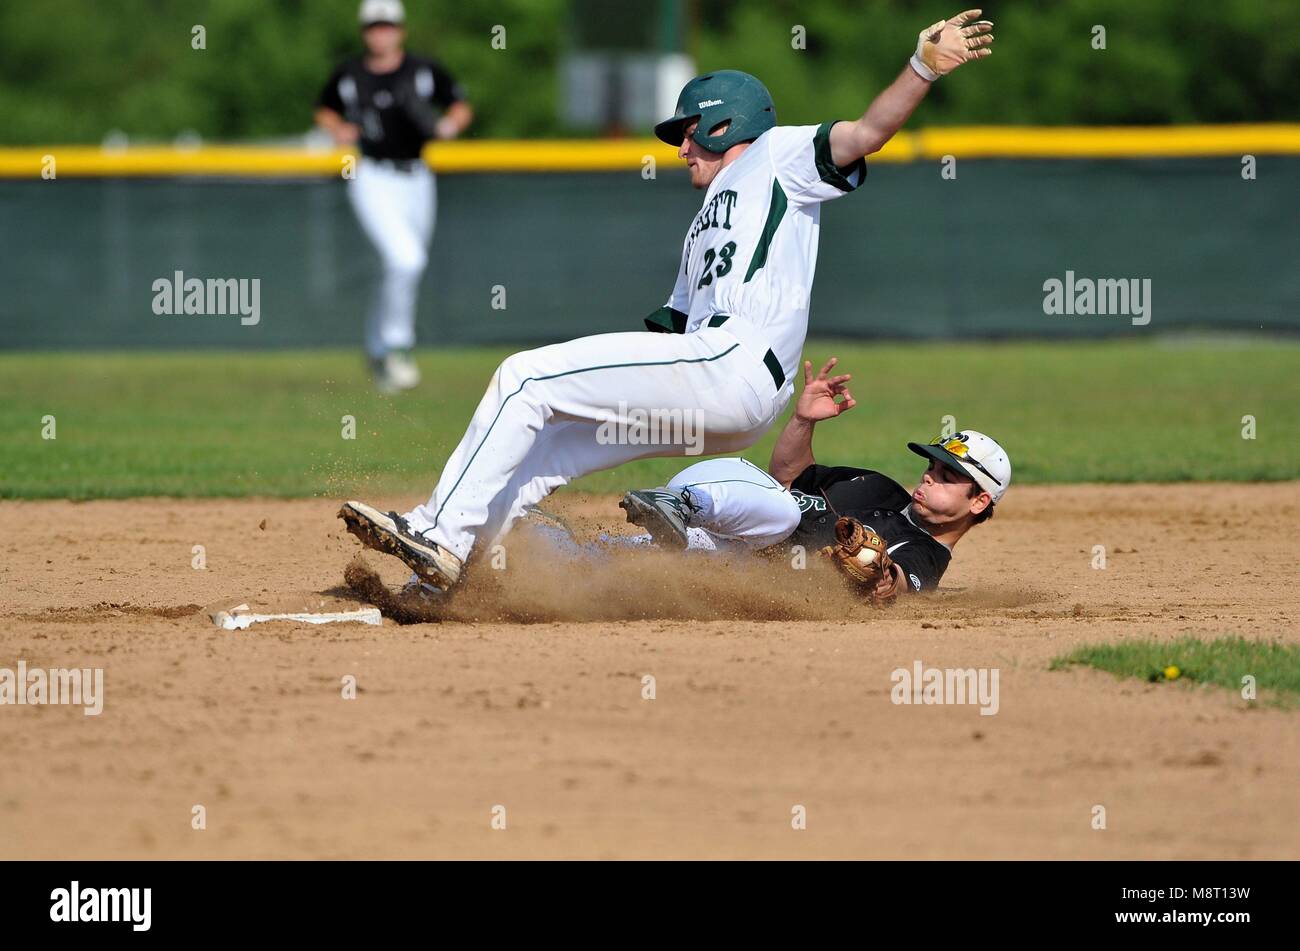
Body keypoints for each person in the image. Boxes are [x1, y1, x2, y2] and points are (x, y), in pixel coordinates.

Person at [339, 10, 995, 589]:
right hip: (717, 386)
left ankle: (438, 533)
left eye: (689, 130)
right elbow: (667, 339)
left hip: (732, 361)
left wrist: (920, 68)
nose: (681, 147)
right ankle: (458, 575)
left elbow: (865, 133)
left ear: (724, 123)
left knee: (523, 376)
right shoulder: (704, 220)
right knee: (548, 441)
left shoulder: (776, 155)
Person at [619, 357, 1012, 600]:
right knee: (783, 508)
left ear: (978, 502)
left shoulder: (925, 554)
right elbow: (787, 475)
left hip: (723, 550)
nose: (928, 478)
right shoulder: (877, 486)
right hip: (716, 494)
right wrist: (803, 421)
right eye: (931, 467)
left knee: (608, 564)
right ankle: (684, 505)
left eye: (946, 477)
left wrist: (882, 575)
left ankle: (564, 549)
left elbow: (899, 583)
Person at [314, 0, 473, 393]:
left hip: (418, 176)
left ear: (399, 30)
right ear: (364, 32)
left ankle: (376, 350)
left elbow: (459, 102)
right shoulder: (350, 73)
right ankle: (399, 348)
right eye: (373, 27)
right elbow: (325, 108)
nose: (380, 33)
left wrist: (451, 124)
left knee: (399, 266)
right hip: (371, 174)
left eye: (386, 26)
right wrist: (338, 128)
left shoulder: (422, 70)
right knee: (406, 258)